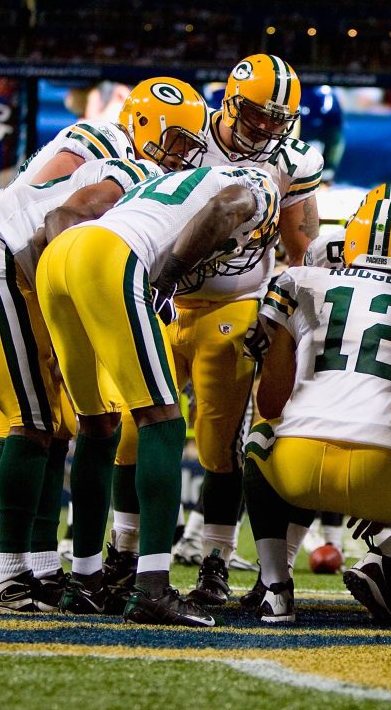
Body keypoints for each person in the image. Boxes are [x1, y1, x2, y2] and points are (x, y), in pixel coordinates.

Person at [0, 76, 210, 613]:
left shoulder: (110, 159)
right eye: (177, 140)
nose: (184, 155)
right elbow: (54, 219)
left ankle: (32, 568)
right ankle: (8, 575)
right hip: (0, 261)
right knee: (32, 423)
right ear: (145, 127)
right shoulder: (117, 156)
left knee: (42, 424)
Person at [36, 163, 281, 628]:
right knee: (163, 419)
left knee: (98, 421)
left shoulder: (156, 183)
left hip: (62, 253)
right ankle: (152, 588)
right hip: (112, 256)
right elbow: (225, 209)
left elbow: (60, 218)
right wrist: (167, 279)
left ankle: (85, 582)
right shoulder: (255, 185)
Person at [242, 198, 391, 625]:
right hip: (383, 469)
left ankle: (275, 586)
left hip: (298, 467)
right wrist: (388, 493)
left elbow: (270, 403)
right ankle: (384, 562)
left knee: (259, 440)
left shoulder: (299, 281)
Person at [148, 54, 323, 609]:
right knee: (133, 431)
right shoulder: (186, 133)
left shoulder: (292, 162)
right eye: (258, 115)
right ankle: (124, 555)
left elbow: (302, 254)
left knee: (222, 444)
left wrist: (287, 321)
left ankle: (215, 563)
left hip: (234, 305)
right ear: (229, 102)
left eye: (280, 119)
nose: (269, 129)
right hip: (160, 296)